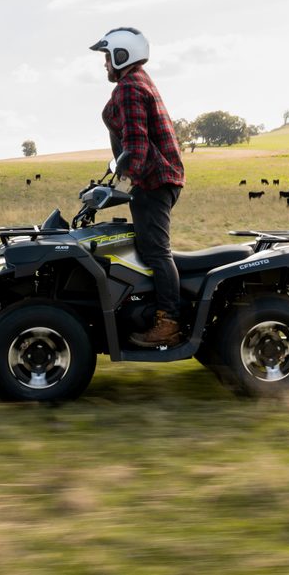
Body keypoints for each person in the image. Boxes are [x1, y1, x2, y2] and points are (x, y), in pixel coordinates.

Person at [89, 27, 186, 347]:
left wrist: (121, 180)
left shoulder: (129, 87)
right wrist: (116, 175)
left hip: (154, 180)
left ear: (122, 55)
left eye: (107, 56)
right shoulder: (137, 82)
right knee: (145, 247)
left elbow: (137, 145)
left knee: (156, 250)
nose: (105, 63)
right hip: (156, 178)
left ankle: (169, 322)